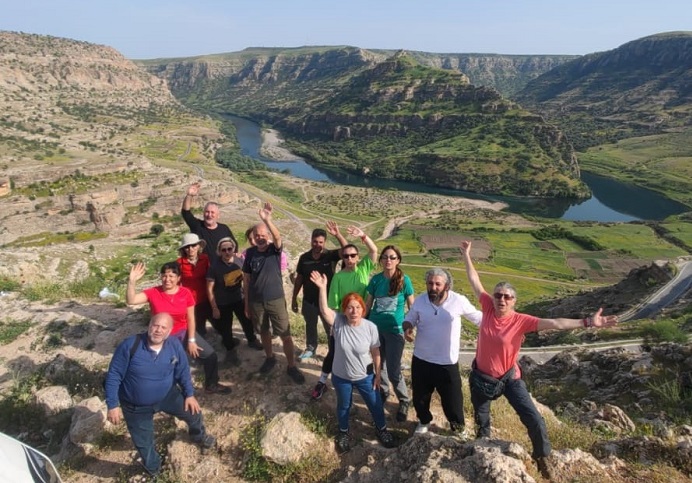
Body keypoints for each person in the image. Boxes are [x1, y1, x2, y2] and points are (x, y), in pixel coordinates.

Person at [460, 240, 618, 478]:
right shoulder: (487, 307)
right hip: (482, 378)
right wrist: (466, 255)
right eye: (498, 295)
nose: (501, 299)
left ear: (514, 301)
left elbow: (555, 323)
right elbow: (474, 280)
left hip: (509, 378)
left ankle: (543, 458)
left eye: (507, 296)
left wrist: (587, 322)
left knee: (533, 418)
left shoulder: (521, 320)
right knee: (482, 420)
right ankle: (483, 452)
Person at [104, 313, 216, 477]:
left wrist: (189, 394)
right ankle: (154, 470)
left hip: (168, 395)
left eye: (163, 327)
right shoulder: (130, 346)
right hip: (136, 405)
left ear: (170, 331)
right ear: (149, 326)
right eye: (155, 326)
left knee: (194, 413)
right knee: (144, 442)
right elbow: (113, 375)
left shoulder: (174, 346)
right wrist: (112, 405)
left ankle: (199, 436)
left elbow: (183, 371)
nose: (158, 330)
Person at [310, 271, 396, 453]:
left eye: (357, 307)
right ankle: (343, 432)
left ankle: (381, 430)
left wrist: (378, 375)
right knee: (343, 405)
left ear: (363, 310)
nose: (354, 311)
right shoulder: (339, 322)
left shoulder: (370, 327)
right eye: (350, 307)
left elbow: (376, 352)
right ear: (344, 310)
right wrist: (322, 288)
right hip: (341, 377)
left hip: (365, 376)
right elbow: (325, 310)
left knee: (375, 404)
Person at [126, 261, 231, 394]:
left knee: (210, 356)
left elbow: (191, 318)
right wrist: (131, 281)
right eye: (164, 275)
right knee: (173, 366)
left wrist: (191, 340)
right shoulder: (153, 292)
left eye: (171, 276)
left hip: (183, 333)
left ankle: (211, 384)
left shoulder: (185, 293)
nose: (167, 279)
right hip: (162, 338)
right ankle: (167, 394)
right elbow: (131, 300)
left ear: (178, 278)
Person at [403, 268, 482, 436]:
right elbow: (410, 317)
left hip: (447, 362)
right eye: (430, 283)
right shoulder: (420, 301)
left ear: (447, 286)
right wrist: (408, 327)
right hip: (421, 359)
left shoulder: (458, 301)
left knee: (453, 401)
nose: (433, 287)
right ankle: (424, 421)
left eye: (437, 284)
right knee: (420, 398)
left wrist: (505, 329)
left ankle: (458, 430)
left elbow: (479, 319)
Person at [311, 224, 378, 400]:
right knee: (334, 352)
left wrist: (363, 235)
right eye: (346, 256)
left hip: (363, 319)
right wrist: (334, 326)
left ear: (357, 257)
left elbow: (374, 250)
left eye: (353, 256)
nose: (349, 259)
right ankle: (322, 381)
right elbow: (333, 305)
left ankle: (362, 380)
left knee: (364, 352)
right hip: (343, 320)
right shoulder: (339, 277)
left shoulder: (364, 268)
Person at [242, 202, 305, 384]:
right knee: (263, 332)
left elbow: (278, 237)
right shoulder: (250, 253)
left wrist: (267, 219)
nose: (260, 238)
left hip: (275, 300)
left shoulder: (274, 250)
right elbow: (246, 280)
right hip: (256, 301)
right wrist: (247, 304)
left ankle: (291, 365)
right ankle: (270, 358)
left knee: (285, 334)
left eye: (263, 235)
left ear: (267, 236)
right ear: (253, 237)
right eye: (257, 235)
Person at [365, 245, 415, 422]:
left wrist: (410, 327)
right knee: (380, 364)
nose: (388, 260)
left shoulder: (404, 280)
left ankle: (403, 399)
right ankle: (384, 391)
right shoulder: (376, 280)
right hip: (376, 329)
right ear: (381, 260)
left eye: (392, 257)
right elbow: (368, 304)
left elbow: (412, 307)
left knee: (394, 369)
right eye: (385, 257)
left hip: (395, 331)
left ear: (398, 260)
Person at [291, 221, 346, 360]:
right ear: (311, 241)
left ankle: (333, 352)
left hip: (327, 301)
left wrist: (338, 234)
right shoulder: (304, 258)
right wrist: (294, 298)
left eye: (321, 242)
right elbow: (299, 279)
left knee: (331, 328)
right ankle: (311, 348)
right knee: (310, 325)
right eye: (315, 241)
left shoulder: (330, 255)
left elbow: (347, 250)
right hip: (309, 300)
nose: (317, 245)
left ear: (325, 242)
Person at [207, 237, 264, 357]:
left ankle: (252, 340)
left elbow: (246, 280)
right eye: (224, 250)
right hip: (223, 302)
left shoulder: (240, 261)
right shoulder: (214, 267)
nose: (227, 252)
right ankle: (230, 349)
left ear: (233, 249)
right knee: (226, 327)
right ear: (219, 251)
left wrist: (248, 299)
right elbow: (209, 288)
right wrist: (214, 307)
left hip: (239, 298)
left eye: (229, 249)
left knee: (246, 321)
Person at [181, 182, 239, 264]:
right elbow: (186, 213)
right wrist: (189, 195)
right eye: (207, 212)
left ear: (218, 215)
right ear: (203, 213)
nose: (209, 215)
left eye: (212, 212)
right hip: (202, 270)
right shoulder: (197, 226)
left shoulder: (224, 229)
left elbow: (234, 246)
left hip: (221, 269)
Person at [177, 233, 212, 337]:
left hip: (206, 297)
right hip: (191, 300)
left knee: (217, 321)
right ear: (183, 249)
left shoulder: (205, 259)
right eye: (187, 247)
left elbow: (211, 276)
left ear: (198, 246)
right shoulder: (179, 263)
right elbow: (177, 284)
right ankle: (203, 348)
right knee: (198, 325)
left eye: (193, 245)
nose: (190, 249)